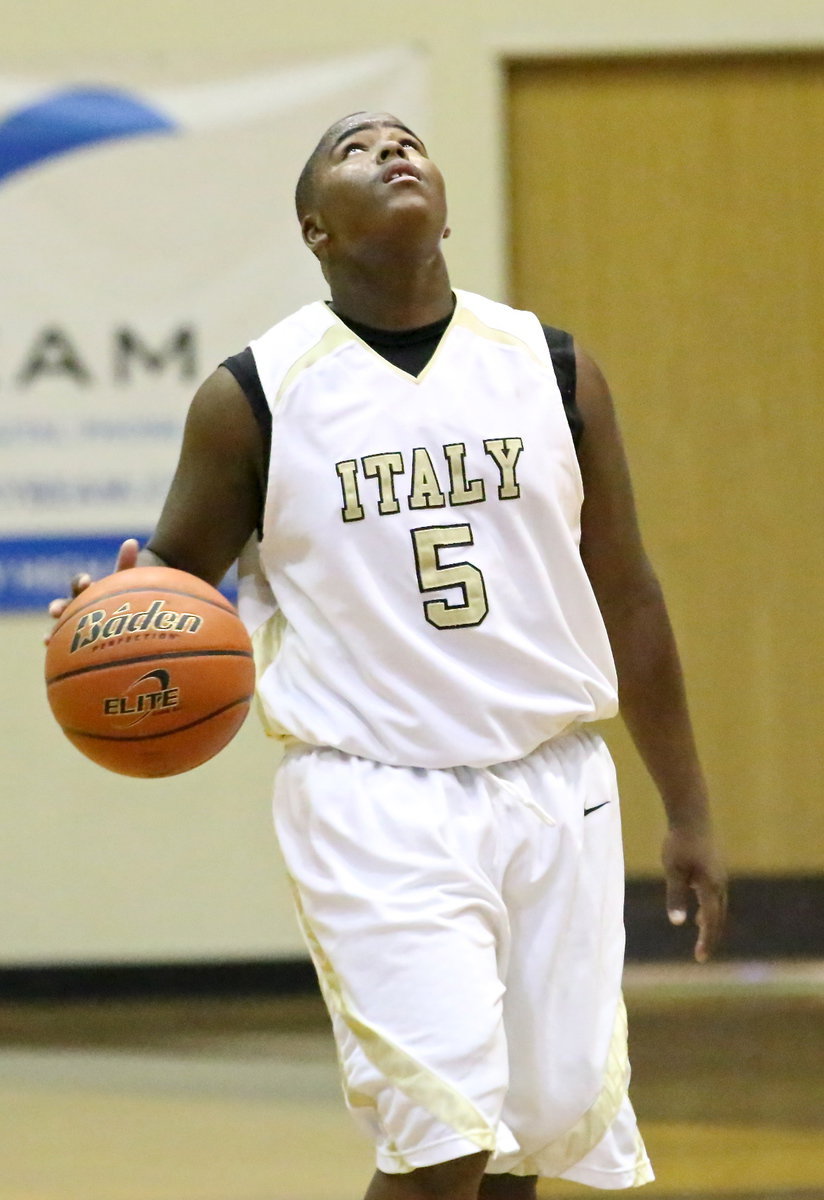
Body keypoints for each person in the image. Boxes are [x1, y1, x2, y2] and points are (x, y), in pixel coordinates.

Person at [49, 112, 726, 1199]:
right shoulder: (254, 397)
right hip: (377, 800)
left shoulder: (550, 368)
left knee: (525, 1136)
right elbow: (173, 584)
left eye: (408, 142)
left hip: (555, 787)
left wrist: (685, 805)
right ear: (316, 228)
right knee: (439, 1139)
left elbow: (630, 594)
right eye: (356, 151)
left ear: (445, 206)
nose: (393, 153)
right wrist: (111, 614)